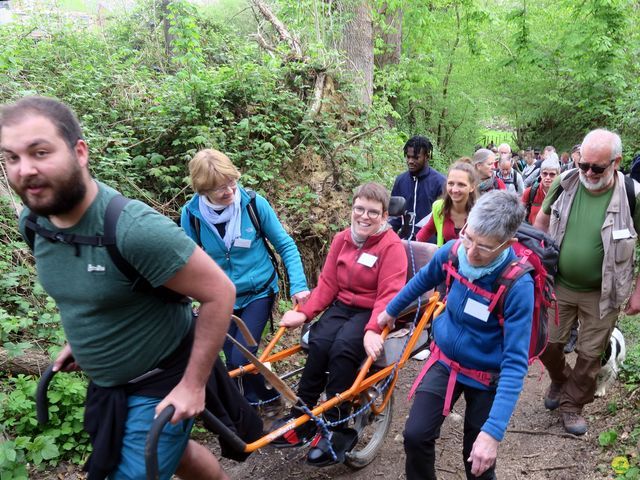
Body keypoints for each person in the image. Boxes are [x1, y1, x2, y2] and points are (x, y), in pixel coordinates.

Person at [1, 96, 237, 479]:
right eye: (11, 157)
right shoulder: (33, 223)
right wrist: (83, 341)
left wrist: (193, 385)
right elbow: (85, 295)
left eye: (40, 152)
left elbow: (219, 292)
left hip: (162, 376)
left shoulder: (133, 229)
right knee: (179, 456)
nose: (25, 170)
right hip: (108, 382)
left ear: (79, 152)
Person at [376, 191, 534, 480]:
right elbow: (423, 279)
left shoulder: (517, 286)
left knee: (478, 461)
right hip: (445, 360)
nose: (471, 252)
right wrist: (390, 311)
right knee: (415, 436)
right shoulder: (453, 251)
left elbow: (514, 364)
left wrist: (493, 433)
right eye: (468, 237)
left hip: (488, 376)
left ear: (508, 244)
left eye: (484, 248)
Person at [273, 182, 407, 465]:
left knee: (344, 348)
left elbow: (389, 294)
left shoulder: (391, 247)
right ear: (352, 209)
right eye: (360, 209)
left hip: (371, 310)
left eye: (373, 212)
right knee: (319, 342)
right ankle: (303, 414)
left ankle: (335, 424)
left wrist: (373, 329)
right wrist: (305, 312)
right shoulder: (341, 239)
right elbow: (328, 284)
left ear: (384, 216)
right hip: (342, 306)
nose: (364, 216)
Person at [180, 149, 309, 413]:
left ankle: (264, 403)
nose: (229, 191)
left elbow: (285, 245)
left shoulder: (252, 204)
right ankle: (262, 401)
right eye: (220, 189)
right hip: (219, 297)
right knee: (231, 360)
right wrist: (189, 296)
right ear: (203, 190)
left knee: (242, 356)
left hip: (259, 291)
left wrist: (298, 285)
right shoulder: (191, 215)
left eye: (232, 183)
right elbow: (187, 261)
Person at [534, 128, 640, 436]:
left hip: (604, 292)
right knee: (545, 343)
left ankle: (572, 405)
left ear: (616, 162)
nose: (588, 172)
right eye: (583, 165)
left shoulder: (633, 194)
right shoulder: (564, 183)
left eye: (597, 167)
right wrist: (534, 260)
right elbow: (541, 220)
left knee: (590, 354)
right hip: (559, 284)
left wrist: (638, 291)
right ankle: (559, 379)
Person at [390, 136, 446, 240]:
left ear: (427, 156)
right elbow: (394, 216)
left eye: (416, 158)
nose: (410, 161)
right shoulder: (400, 180)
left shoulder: (440, 182)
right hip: (404, 242)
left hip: (429, 245)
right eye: (408, 157)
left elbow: (444, 218)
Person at [416, 161, 477, 246]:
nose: (455, 190)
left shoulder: (480, 213)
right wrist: (411, 246)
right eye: (451, 184)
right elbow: (428, 229)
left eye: (461, 185)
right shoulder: (439, 207)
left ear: (472, 187)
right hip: (444, 258)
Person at [522, 157, 560, 224]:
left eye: (552, 174)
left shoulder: (563, 194)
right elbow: (518, 214)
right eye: (545, 174)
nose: (548, 177)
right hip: (533, 232)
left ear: (558, 175)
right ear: (540, 174)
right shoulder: (530, 192)